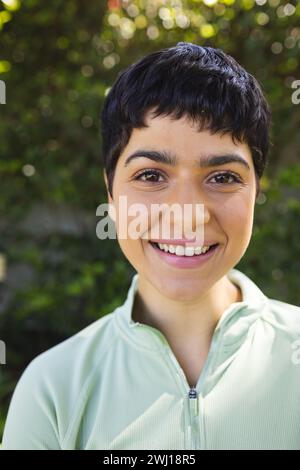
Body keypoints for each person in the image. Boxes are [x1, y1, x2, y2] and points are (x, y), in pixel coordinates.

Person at [2, 43, 300, 450]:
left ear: (255, 192)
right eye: (151, 175)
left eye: (223, 177)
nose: (187, 214)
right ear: (111, 192)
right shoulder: (53, 389)